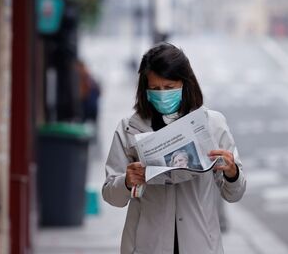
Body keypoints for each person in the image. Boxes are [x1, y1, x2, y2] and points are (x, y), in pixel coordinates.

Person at [101, 43, 246, 254]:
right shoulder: (129, 128)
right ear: (145, 89)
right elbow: (110, 195)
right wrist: (126, 181)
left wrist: (233, 173)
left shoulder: (212, 124)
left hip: (201, 244)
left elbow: (235, 194)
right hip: (146, 245)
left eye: (169, 88)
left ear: (185, 84)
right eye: (155, 88)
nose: (162, 94)